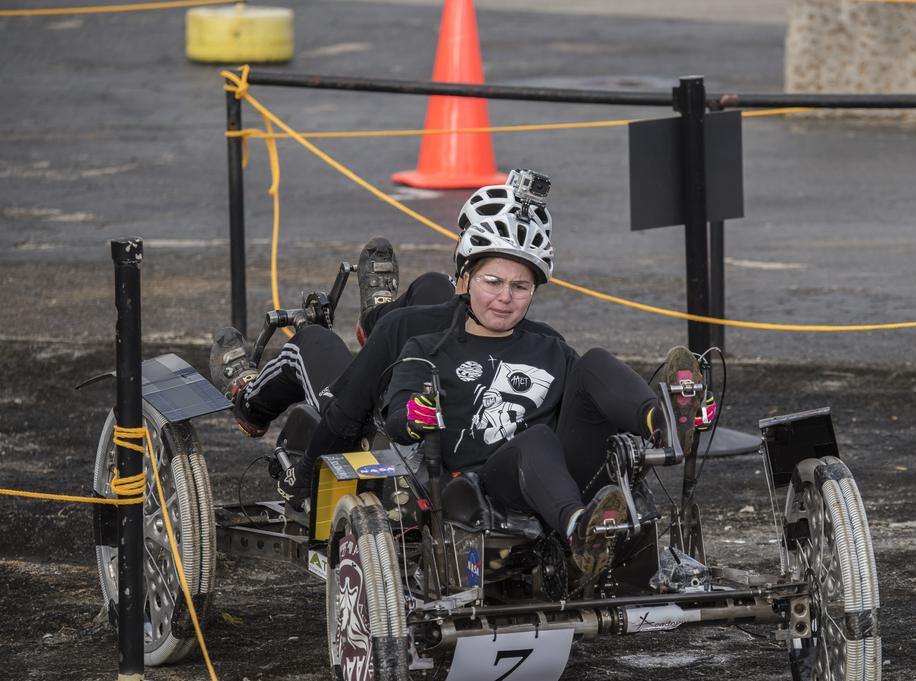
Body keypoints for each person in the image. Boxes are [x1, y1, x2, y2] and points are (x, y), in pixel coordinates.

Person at [209, 170, 715, 577]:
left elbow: (592, 406)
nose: (506, 296)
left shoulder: (550, 346)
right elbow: (354, 418)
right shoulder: (421, 342)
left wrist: (647, 426)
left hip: (534, 478)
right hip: (446, 460)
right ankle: (249, 395)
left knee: (594, 364)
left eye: (521, 287)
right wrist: (316, 484)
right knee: (315, 340)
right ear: (467, 277)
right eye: (493, 281)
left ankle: (669, 418)